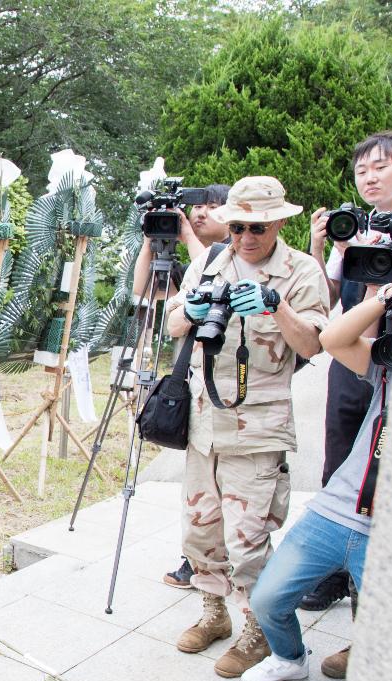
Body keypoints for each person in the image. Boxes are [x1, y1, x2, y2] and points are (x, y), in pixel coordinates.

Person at [165, 176, 329, 678]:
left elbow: (313, 346)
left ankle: (258, 631)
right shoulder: (212, 259)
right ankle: (213, 615)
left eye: (256, 227)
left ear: (279, 222)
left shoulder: (301, 272)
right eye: (237, 226)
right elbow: (172, 324)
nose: (245, 238)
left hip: (257, 429)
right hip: (203, 423)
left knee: (248, 539)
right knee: (201, 530)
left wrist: (275, 307)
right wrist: (187, 312)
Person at [243, 279, 392, 681]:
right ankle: (289, 657)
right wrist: (387, 296)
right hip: (335, 511)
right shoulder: (391, 366)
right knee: (267, 598)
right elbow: (333, 338)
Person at [300, 131, 392, 619]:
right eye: (362, 170)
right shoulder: (355, 226)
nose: (369, 177)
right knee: (339, 455)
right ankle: (334, 573)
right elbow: (327, 293)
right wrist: (322, 241)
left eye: (381, 167)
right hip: (353, 357)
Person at [129, 184, 232, 592]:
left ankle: (220, 562)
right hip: (191, 379)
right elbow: (144, 292)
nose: (202, 213)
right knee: (200, 484)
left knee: (225, 483)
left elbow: (210, 278)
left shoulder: (232, 252)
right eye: (197, 208)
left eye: (211, 206)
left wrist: (188, 234)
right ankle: (199, 559)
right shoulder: (183, 258)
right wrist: (150, 240)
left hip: (226, 383)